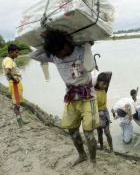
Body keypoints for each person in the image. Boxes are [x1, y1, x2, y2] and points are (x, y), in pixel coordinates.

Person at [30, 29, 100, 166]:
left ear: (67, 45)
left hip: (87, 97)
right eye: (55, 53)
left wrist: (87, 46)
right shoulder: (54, 57)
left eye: (59, 51)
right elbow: (33, 55)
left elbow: (90, 66)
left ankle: (93, 160)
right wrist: (46, 44)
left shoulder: (80, 50)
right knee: (72, 131)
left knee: (89, 134)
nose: (58, 55)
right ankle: (82, 155)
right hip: (71, 97)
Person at [2, 44, 27, 127]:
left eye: (18, 52)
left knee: (17, 102)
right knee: (17, 104)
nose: (17, 54)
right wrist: (14, 80)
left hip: (14, 84)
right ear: (10, 52)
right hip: (14, 84)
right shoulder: (9, 60)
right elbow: (7, 72)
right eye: (16, 52)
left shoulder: (7, 59)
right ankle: (20, 123)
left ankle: (21, 121)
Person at [95, 72, 114, 153]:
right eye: (103, 84)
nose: (105, 86)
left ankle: (111, 149)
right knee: (99, 132)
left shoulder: (105, 89)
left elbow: (110, 73)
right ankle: (101, 147)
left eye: (106, 84)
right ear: (97, 82)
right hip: (97, 114)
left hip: (105, 113)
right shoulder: (93, 91)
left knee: (107, 132)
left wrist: (104, 76)